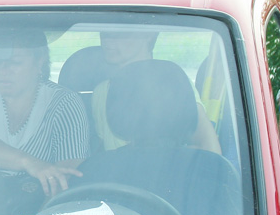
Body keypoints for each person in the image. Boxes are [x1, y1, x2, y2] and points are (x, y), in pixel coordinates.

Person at [0, 29, 89, 215]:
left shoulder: (65, 102)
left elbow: (67, 175)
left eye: (14, 62)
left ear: (39, 61)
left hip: (40, 208)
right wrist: (31, 163)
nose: (3, 71)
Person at [91, 31, 221, 154]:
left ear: (149, 35)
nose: (107, 39)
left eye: (120, 32)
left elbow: (208, 146)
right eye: (104, 31)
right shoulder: (101, 91)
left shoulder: (171, 81)